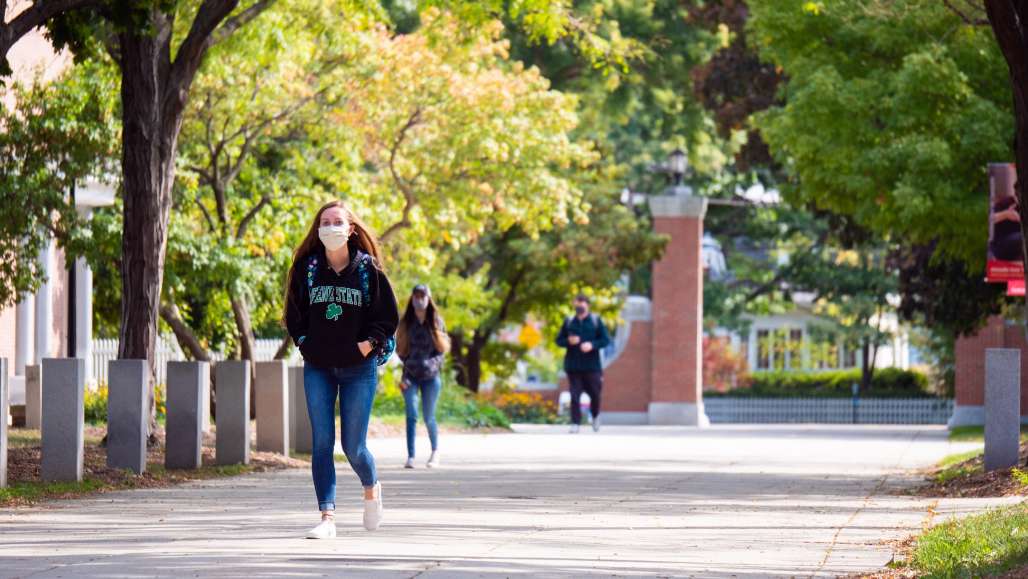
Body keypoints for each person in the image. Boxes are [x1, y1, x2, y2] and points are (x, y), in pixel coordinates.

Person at [284, 200, 399, 539]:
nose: (330, 227)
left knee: (353, 447)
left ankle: (371, 487)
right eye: (324, 222)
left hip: (358, 369)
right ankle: (327, 517)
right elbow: (294, 314)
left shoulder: (367, 269)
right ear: (317, 230)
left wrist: (366, 345)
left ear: (350, 229)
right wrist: (305, 342)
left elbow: (387, 318)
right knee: (322, 442)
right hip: (318, 366)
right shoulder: (307, 269)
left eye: (337, 222)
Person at [395, 284, 451, 469]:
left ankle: (435, 452)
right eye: (416, 296)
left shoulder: (436, 321)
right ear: (412, 299)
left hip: (431, 377)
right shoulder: (405, 323)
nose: (419, 299)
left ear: (429, 298)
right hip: (409, 376)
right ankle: (411, 456)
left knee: (429, 417)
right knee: (411, 414)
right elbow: (400, 349)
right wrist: (406, 368)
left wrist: (430, 365)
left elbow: (442, 352)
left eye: (423, 296)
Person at [556, 294, 611, 433]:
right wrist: (568, 341)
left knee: (595, 394)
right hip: (573, 366)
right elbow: (558, 340)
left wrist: (592, 345)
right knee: (574, 396)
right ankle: (575, 423)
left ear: (587, 305)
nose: (579, 306)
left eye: (581, 303)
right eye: (576, 303)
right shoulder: (569, 321)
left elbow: (605, 340)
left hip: (592, 366)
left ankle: (596, 415)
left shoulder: (595, 321)